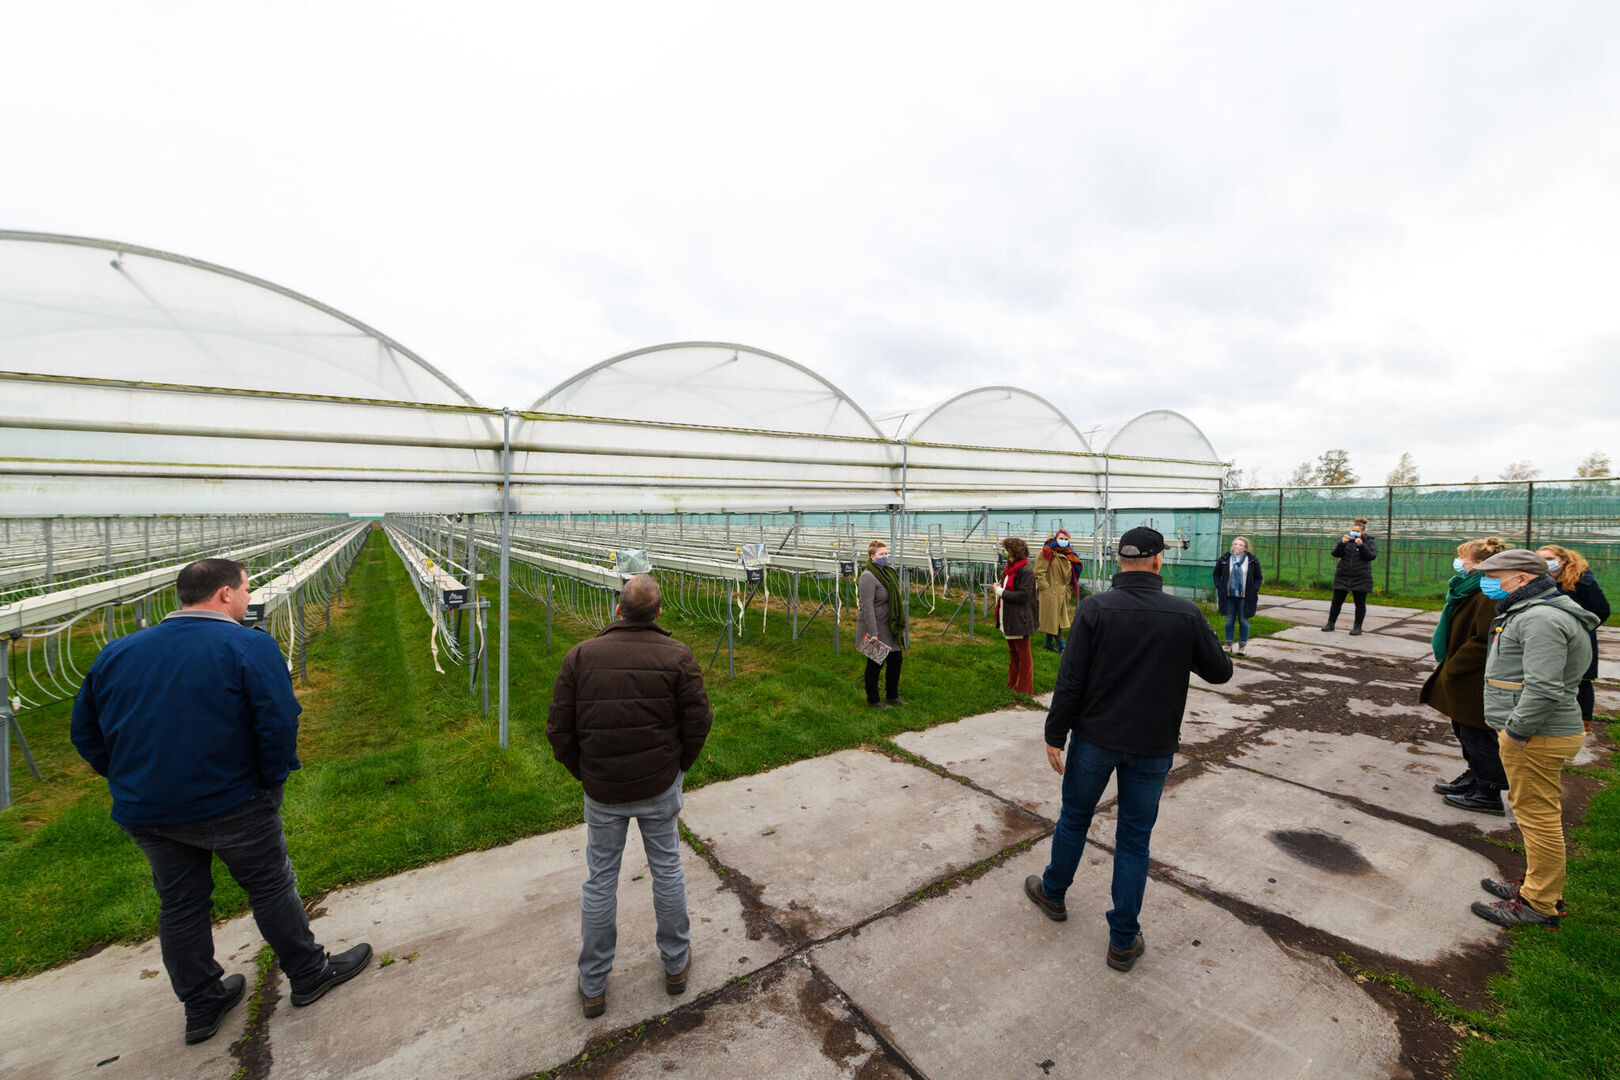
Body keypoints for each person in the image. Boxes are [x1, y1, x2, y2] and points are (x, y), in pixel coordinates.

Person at [69, 558, 371, 1046]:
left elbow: (85, 731)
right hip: (231, 800)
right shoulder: (246, 645)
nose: (249, 597)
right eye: (246, 589)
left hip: (147, 810)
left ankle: (203, 1003)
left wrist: (128, 776)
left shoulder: (117, 653)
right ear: (225, 594)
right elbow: (277, 722)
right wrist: (269, 782)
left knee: (181, 905)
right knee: (271, 886)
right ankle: (309, 973)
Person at [1024, 527, 1232, 970]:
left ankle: (1054, 893)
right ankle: (1122, 939)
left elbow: (1071, 679)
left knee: (1074, 818)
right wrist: (1195, 634)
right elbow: (1220, 671)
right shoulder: (1184, 613)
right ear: (1159, 562)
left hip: (1095, 740)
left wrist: (1054, 734)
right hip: (1152, 748)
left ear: (1120, 561)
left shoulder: (1096, 608)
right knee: (1134, 841)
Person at [546, 574, 714, 1016]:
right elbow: (698, 721)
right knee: (668, 870)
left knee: (600, 879)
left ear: (618, 610)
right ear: (659, 613)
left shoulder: (580, 656)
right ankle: (676, 965)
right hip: (659, 785)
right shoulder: (677, 655)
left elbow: (559, 730)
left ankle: (594, 983)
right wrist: (677, 767)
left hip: (603, 791)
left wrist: (585, 772)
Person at [1468, 549, 1598, 928]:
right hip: (1537, 731)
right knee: (1535, 816)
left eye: (1496, 575)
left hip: (1537, 734)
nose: (1488, 582)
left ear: (1523, 579)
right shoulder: (1534, 612)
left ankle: (1539, 903)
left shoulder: (1540, 619)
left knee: (1538, 819)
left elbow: (1543, 686)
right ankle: (1537, 887)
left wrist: (1516, 731)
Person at [1420, 536, 1509, 815]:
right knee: (1464, 728)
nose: (1459, 563)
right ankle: (1475, 775)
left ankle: (1488, 792)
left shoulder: (1486, 595)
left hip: (1473, 675)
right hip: (1465, 673)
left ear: (1481, 564)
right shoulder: (1470, 589)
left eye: (1464, 559)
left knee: (1477, 732)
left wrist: (1454, 666)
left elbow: (1484, 640)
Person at [1537, 544, 1610, 733]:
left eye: (1550, 559)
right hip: (1551, 638)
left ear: (1563, 560)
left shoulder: (1582, 579)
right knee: (1550, 676)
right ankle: (1552, 718)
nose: (1545, 562)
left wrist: (1580, 628)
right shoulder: (1540, 579)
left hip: (1578, 638)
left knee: (1581, 680)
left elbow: (1601, 609)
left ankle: (1584, 723)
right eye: (1540, 558)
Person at [856, 540, 907, 708]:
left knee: (896, 660)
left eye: (886, 554)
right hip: (875, 625)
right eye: (881, 554)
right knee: (875, 663)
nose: (885, 557)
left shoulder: (886, 572)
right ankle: (873, 700)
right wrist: (873, 633)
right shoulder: (867, 577)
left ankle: (892, 695)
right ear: (872, 557)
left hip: (889, 624)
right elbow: (867, 607)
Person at [993, 537, 1038, 695]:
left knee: (1023, 654)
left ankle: (1025, 688)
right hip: (1009, 616)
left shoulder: (1026, 571)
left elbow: (1023, 595)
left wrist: (1000, 592)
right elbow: (1008, 588)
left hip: (1020, 618)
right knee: (1013, 652)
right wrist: (1000, 587)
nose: (1005, 553)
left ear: (1014, 552)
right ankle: (1013, 683)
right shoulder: (1010, 568)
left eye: (1006, 550)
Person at [1322, 517, 1378, 635]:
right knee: (1336, 602)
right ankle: (1330, 624)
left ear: (1363, 532)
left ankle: (1357, 627)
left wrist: (1361, 545)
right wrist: (1341, 543)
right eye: (1353, 530)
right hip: (1343, 575)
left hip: (1361, 577)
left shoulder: (1370, 542)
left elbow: (1371, 556)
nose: (1354, 533)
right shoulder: (1346, 540)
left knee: (1359, 603)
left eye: (1357, 531)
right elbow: (1335, 554)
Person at [1212, 536, 1263, 653]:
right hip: (1229, 595)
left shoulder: (1252, 561)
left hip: (1245, 596)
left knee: (1243, 620)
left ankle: (1242, 645)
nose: (1237, 546)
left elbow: (1258, 577)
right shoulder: (1225, 559)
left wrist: (1254, 588)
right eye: (1235, 544)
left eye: (1240, 545)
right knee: (1229, 619)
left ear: (1245, 548)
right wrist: (1220, 586)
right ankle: (1228, 643)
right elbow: (1216, 574)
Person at [1037, 529, 1082, 653]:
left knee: (1054, 619)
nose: (1063, 541)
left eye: (1066, 539)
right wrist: (1045, 588)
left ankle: (1048, 643)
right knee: (1056, 620)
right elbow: (1039, 572)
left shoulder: (1070, 554)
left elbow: (1073, 575)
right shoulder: (1047, 552)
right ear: (1056, 538)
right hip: (1050, 592)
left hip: (1063, 592)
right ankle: (1063, 646)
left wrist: (1069, 589)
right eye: (1061, 538)